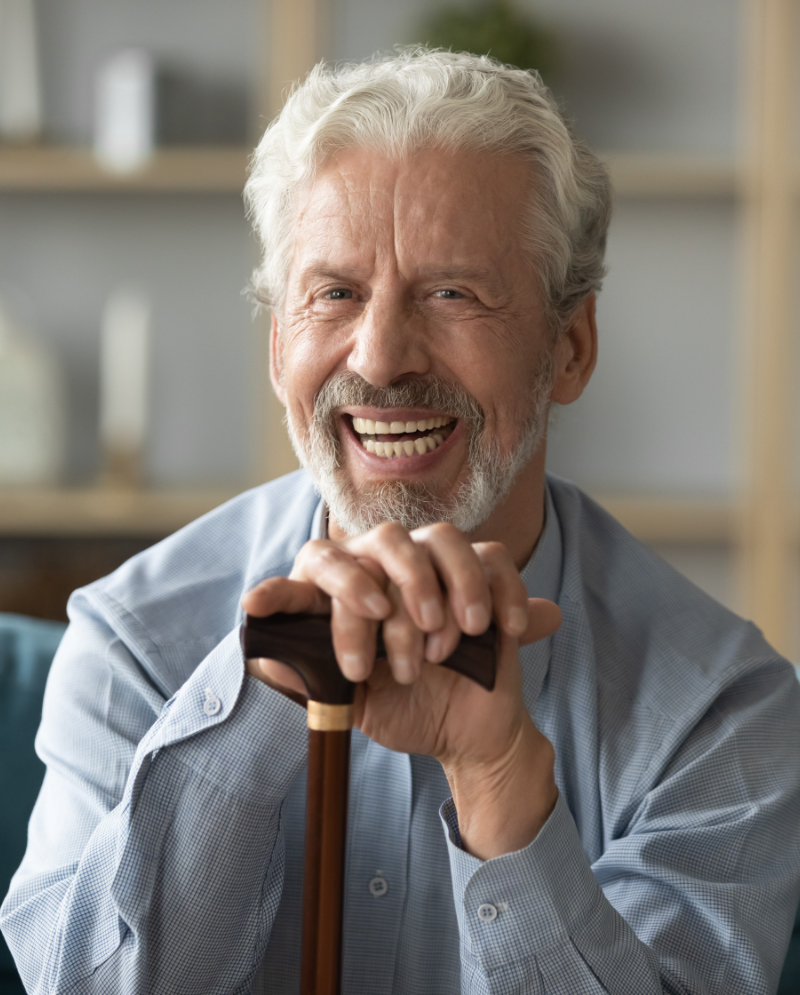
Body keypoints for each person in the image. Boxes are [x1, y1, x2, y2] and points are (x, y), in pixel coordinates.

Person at [3, 48, 800, 995]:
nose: (380, 359)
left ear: (571, 346)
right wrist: (255, 705)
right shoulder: (134, 638)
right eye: (335, 293)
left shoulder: (720, 712)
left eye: (452, 292)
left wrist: (503, 782)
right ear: (277, 348)